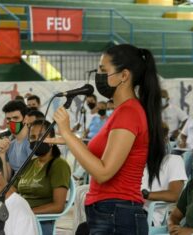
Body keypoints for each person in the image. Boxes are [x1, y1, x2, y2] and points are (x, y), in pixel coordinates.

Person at [53, 44, 165, 234]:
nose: (99, 76)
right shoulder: (121, 111)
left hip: (118, 214)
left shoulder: (128, 112)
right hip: (109, 212)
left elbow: (104, 172)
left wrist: (68, 134)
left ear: (124, 75)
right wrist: (72, 141)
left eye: (104, 71)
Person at [14, 119, 71, 235]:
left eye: (41, 136)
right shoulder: (29, 163)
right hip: (19, 219)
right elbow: (10, 190)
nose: (36, 140)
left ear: (51, 140)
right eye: (33, 137)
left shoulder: (59, 165)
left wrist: (28, 213)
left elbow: (58, 206)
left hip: (38, 223)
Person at [141, 122, 187, 226]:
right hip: (128, 207)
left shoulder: (174, 160)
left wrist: (144, 195)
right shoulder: (138, 161)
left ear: (165, 140)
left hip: (149, 214)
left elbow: (173, 195)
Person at [0, 100, 32, 180]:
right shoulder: (10, 145)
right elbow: (5, 179)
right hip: (15, 187)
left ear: (25, 119)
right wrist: (2, 153)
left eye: (16, 118)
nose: (12, 122)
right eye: (8, 119)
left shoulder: (32, 142)